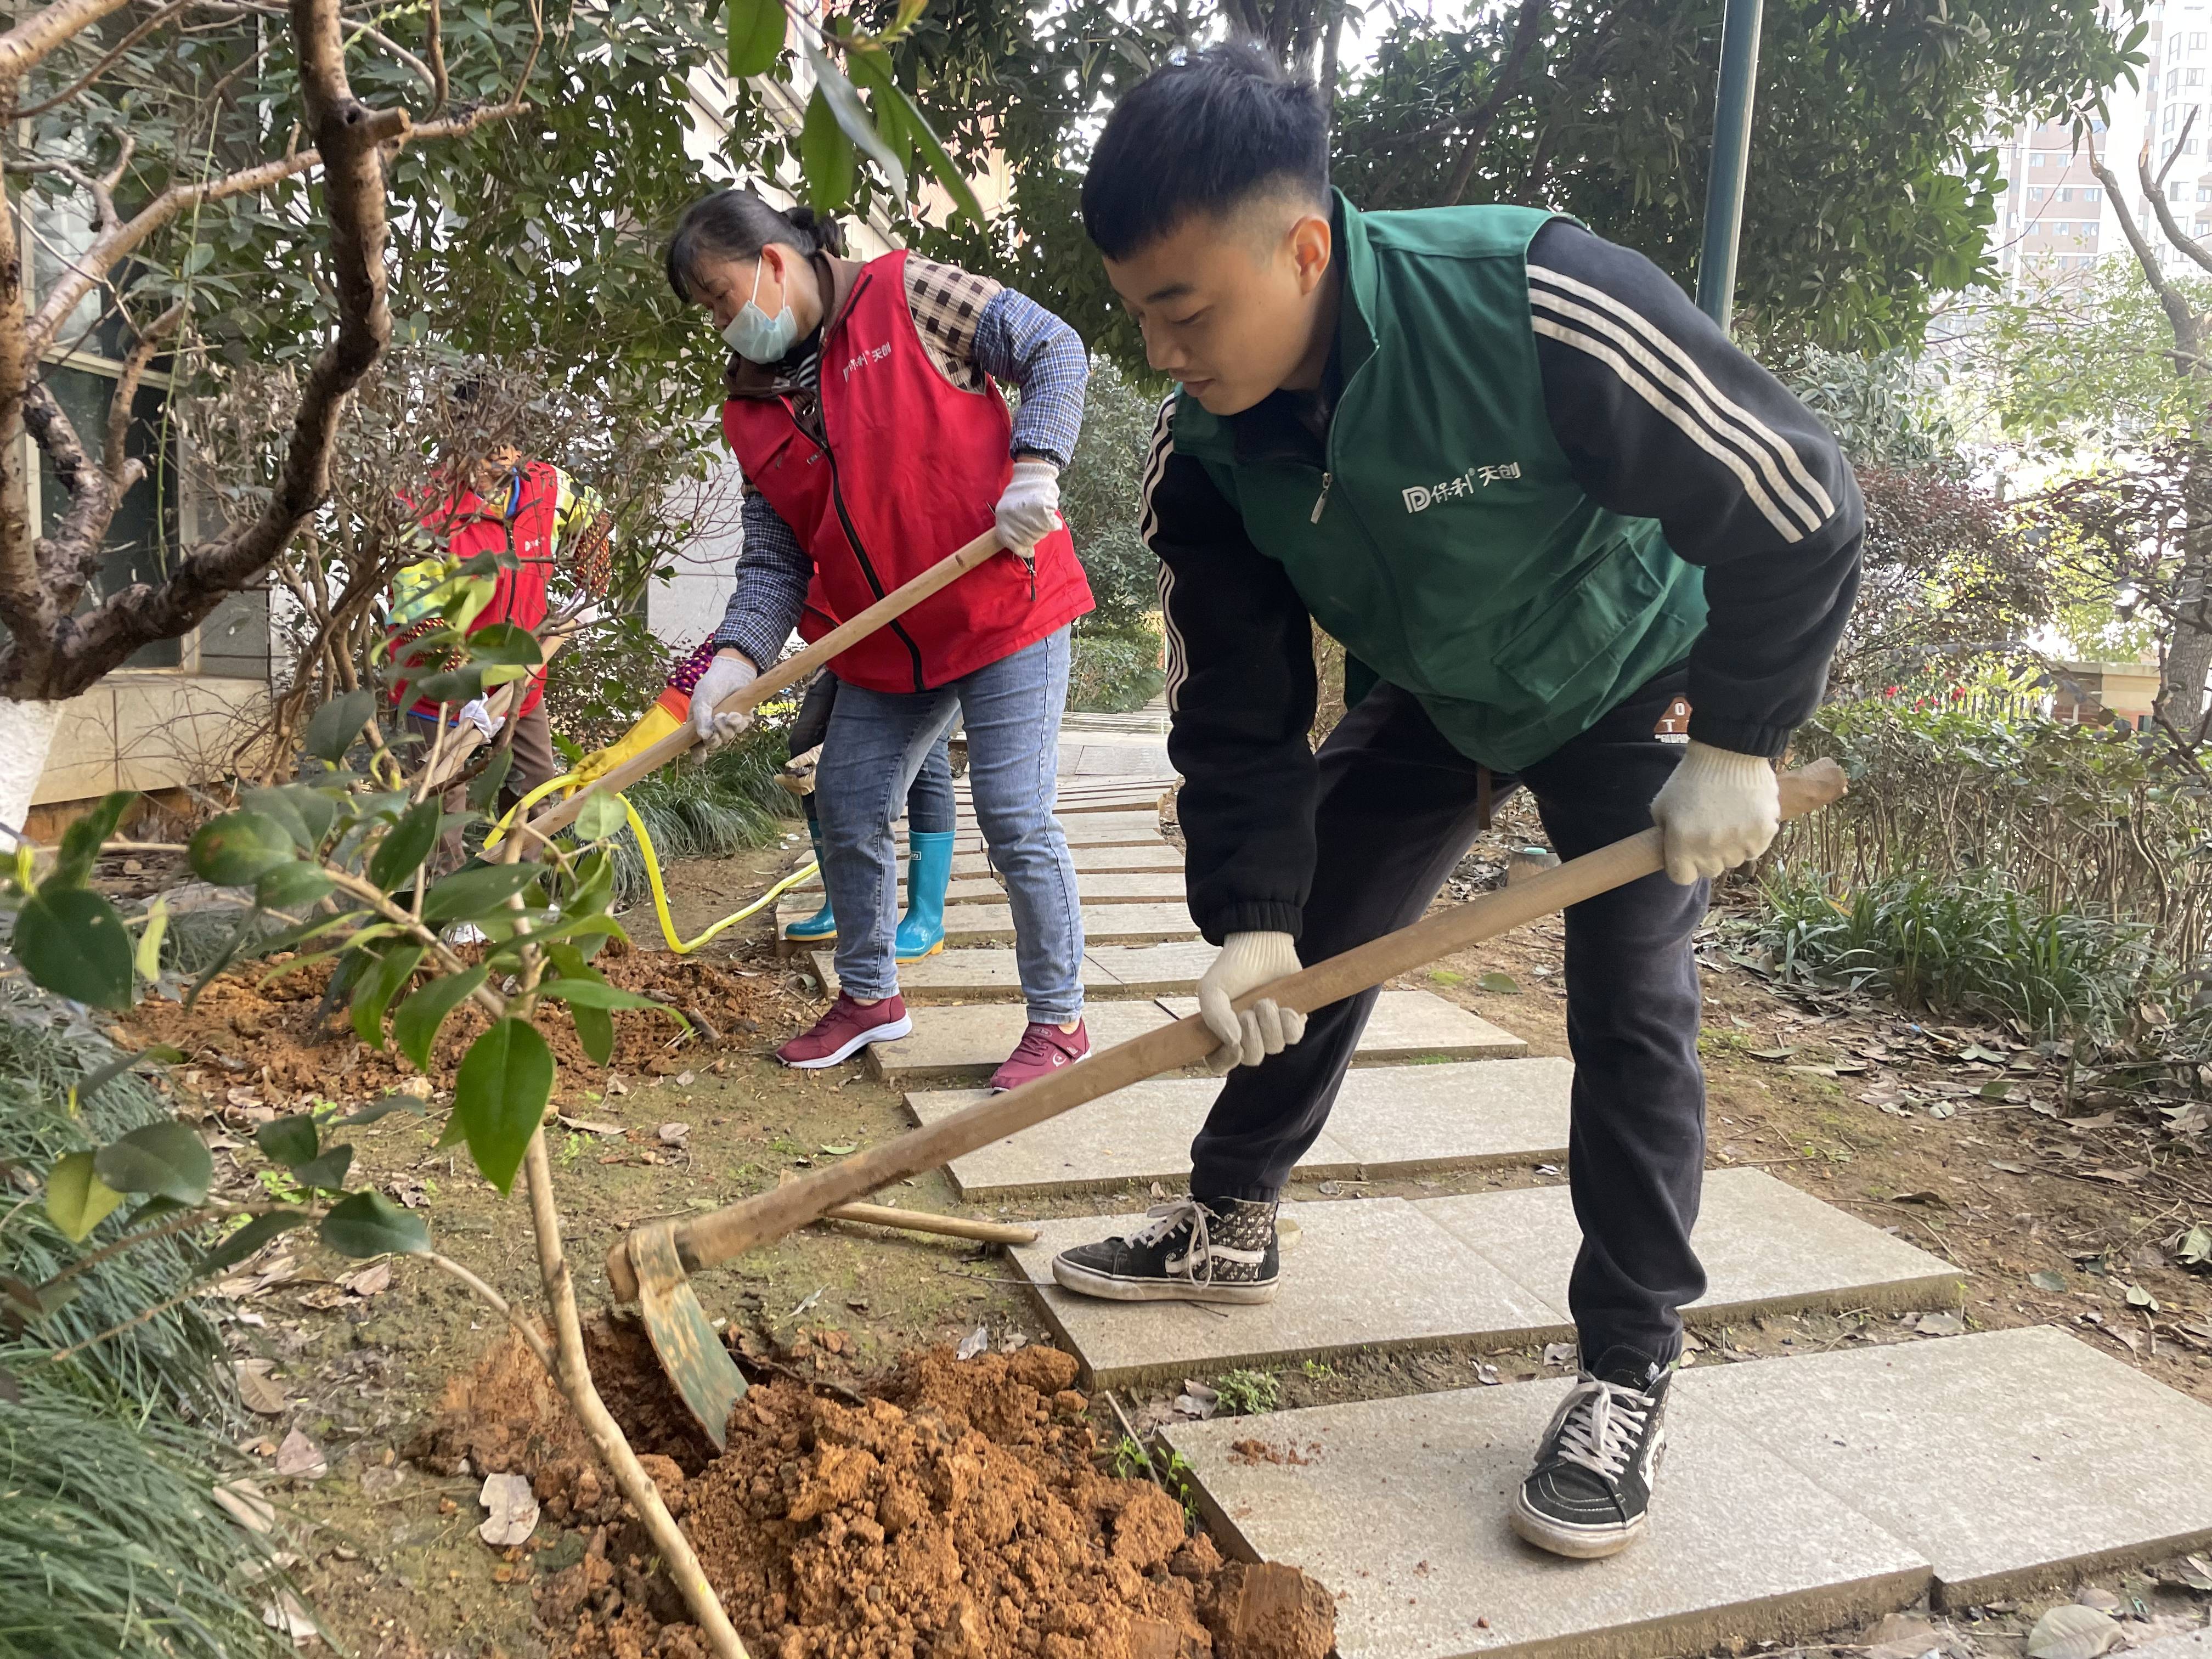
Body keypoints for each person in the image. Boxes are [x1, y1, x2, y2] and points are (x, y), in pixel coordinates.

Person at [1056, 47, 1863, 1561]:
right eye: (1138, 312)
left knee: (1631, 1000)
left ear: (1301, 247)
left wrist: (1743, 739)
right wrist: (1247, 917)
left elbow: (1797, 495)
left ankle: (1628, 1365)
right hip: (1434, 687)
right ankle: (1232, 1220)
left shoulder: (1533, 297)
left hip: (1629, 677)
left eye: (1185, 307)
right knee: (1319, 939)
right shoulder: (1209, 455)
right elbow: (1234, 706)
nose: (1163, 349)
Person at [664, 191, 1096, 1087]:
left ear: (774, 265)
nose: (720, 325)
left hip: (1002, 605)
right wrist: (732, 661)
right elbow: (773, 565)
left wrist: (1038, 462)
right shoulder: (752, 411)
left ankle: (1058, 1019)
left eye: (718, 298)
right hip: (884, 643)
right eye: (705, 311)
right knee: (848, 801)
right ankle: (870, 996)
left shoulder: (910, 294)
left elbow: (1054, 347)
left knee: (1014, 815)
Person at [577, 645, 958, 960]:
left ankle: (927, 919)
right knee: (806, 739)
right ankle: (840, 904)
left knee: (928, 746)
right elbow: (746, 634)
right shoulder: (808, 567)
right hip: (857, 641)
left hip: (948, 635)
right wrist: (634, 746)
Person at [390, 437, 612, 867]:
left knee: (535, 790)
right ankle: (451, 919)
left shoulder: (545, 486)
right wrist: (466, 684)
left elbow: (594, 514)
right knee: (438, 805)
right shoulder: (424, 505)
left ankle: (518, 898)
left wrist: (592, 576)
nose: (502, 458)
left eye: (511, 445)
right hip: (436, 684)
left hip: (523, 676)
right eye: (486, 445)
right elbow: (417, 613)